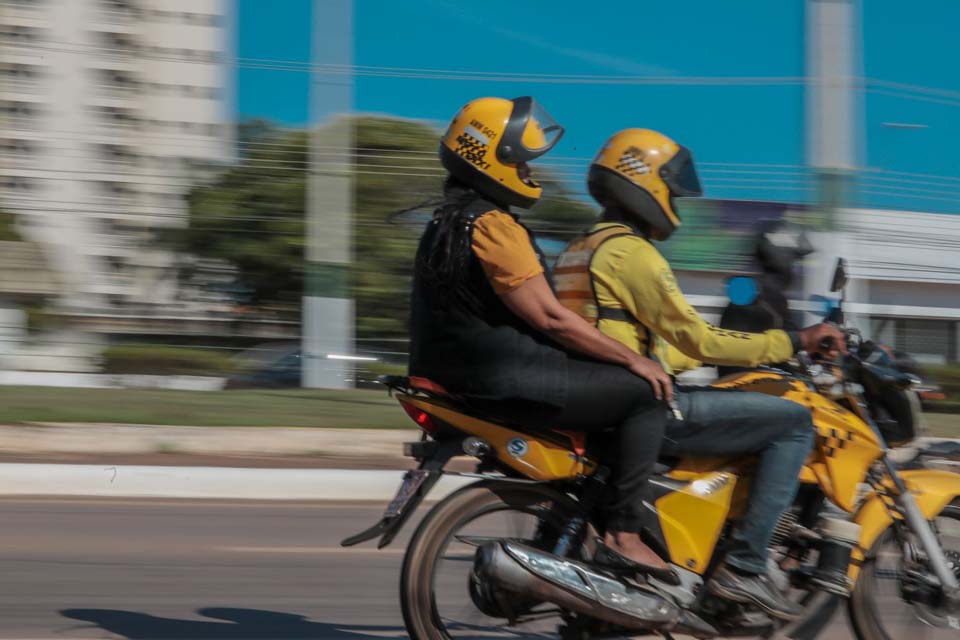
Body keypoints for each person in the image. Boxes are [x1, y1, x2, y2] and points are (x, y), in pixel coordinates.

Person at [555, 128, 845, 620]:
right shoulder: (633, 254)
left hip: (596, 393)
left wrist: (703, 356)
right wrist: (797, 341)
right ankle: (747, 568)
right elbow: (698, 338)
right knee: (793, 422)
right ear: (643, 183)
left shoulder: (578, 248)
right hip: (636, 403)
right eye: (670, 190)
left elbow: (640, 340)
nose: (676, 203)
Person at [408, 98, 677, 581]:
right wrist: (636, 361)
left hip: (459, 373)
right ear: (493, 160)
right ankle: (624, 533)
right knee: (643, 395)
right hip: (507, 378)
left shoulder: (443, 222)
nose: (531, 170)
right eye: (523, 160)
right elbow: (552, 319)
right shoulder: (494, 225)